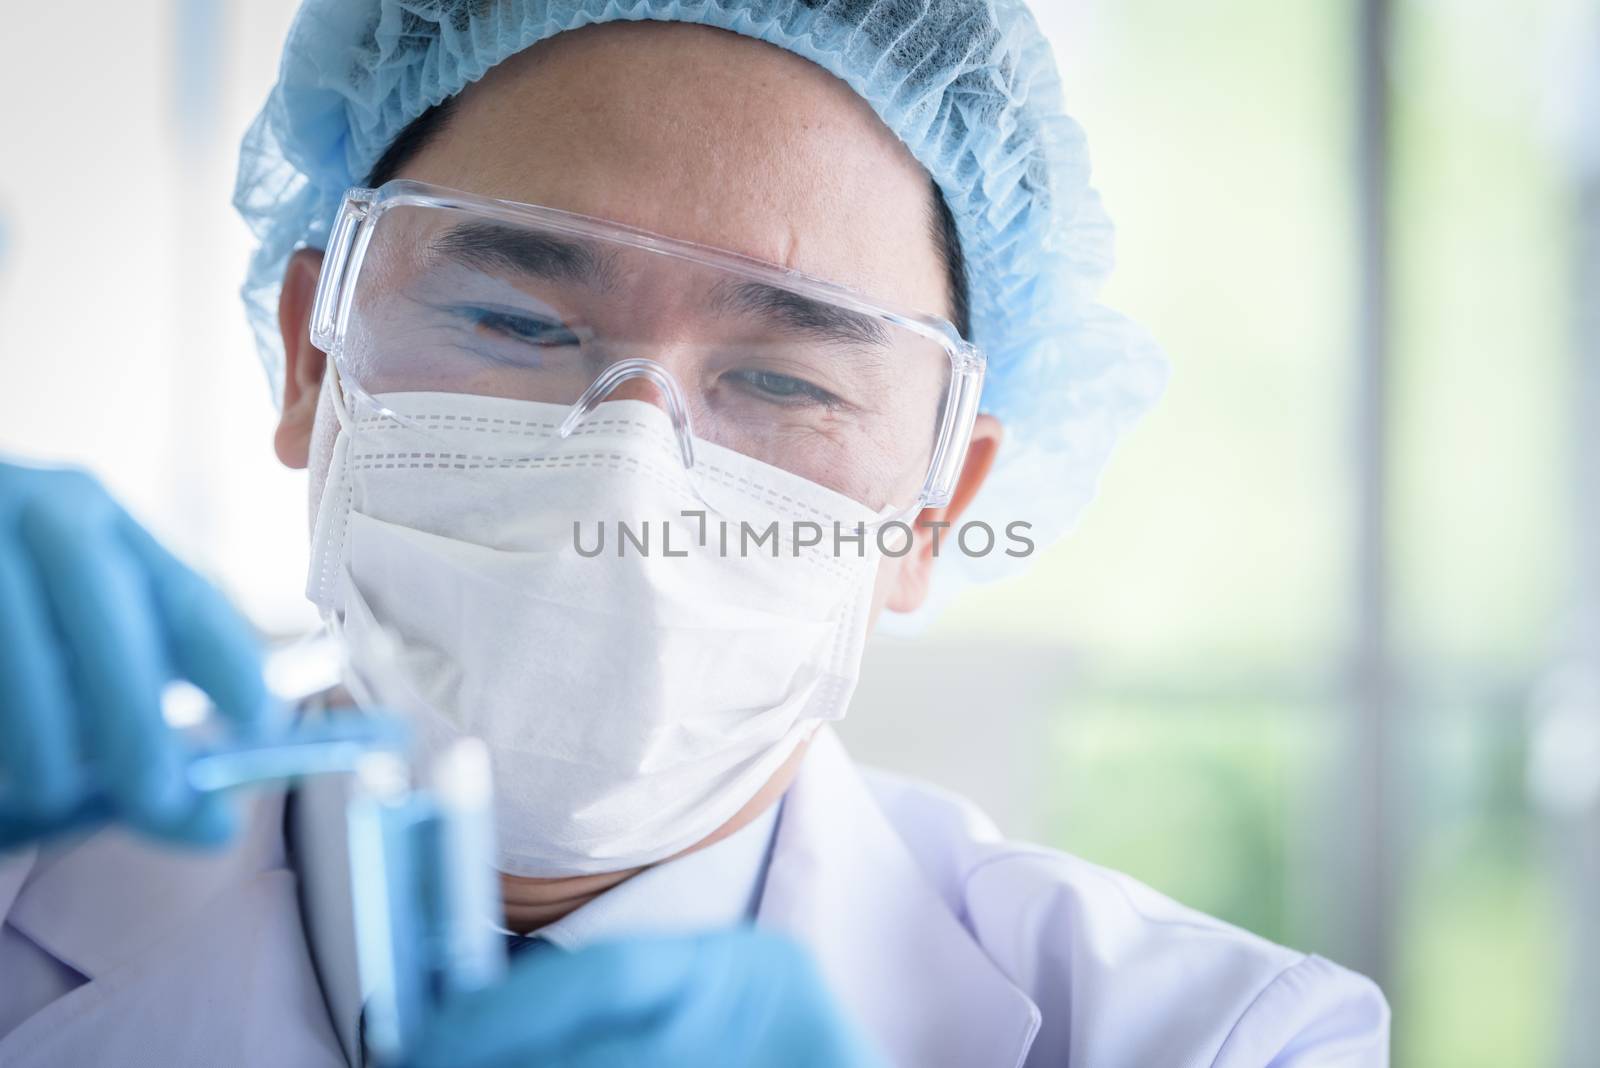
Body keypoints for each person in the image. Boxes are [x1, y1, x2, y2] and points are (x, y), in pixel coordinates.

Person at [0, 1, 1391, 1065]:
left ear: (934, 510)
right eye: (515, 320)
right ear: (314, 360)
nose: (626, 471)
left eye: (783, 381)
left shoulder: (1218, 1039)